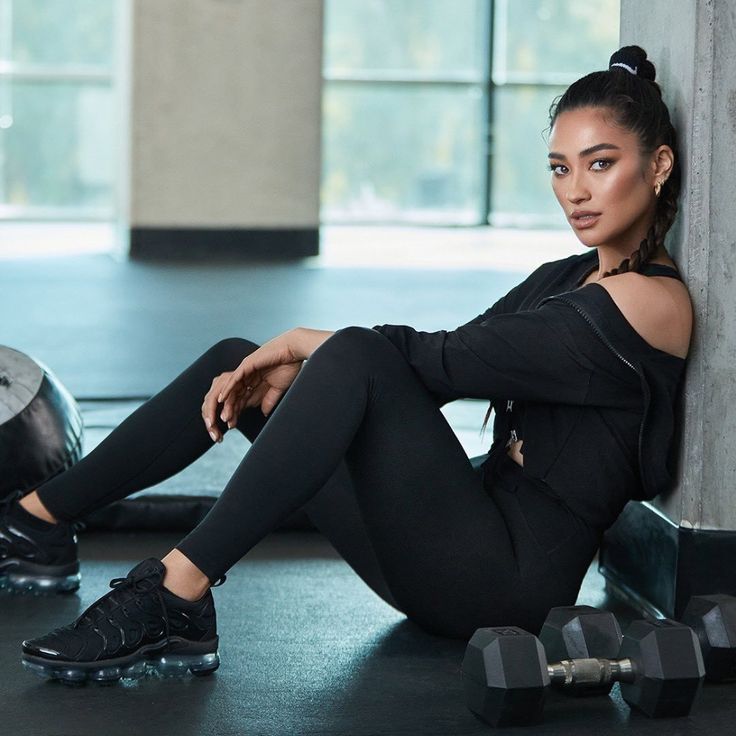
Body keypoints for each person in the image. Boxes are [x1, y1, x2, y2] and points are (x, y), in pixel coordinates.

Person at [1, 44, 693, 685]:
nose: (575, 191)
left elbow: (442, 362)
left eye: (601, 164)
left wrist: (312, 345)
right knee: (239, 364)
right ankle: (34, 523)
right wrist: (305, 382)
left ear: (658, 166)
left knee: (354, 353)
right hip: (446, 546)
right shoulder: (565, 276)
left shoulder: (650, 304)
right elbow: (444, 363)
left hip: (503, 590)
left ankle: (176, 592)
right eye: (560, 167)